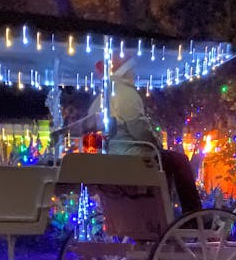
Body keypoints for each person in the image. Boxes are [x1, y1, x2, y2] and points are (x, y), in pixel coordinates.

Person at [62, 55, 203, 215]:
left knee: (169, 161)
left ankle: (169, 210)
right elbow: (140, 130)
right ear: (126, 73)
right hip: (133, 157)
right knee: (179, 160)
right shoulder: (126, 95)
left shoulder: (101, 98)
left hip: (113, 156)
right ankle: (192, 214)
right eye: (131, 71)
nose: (134, 75)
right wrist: (156, 142)